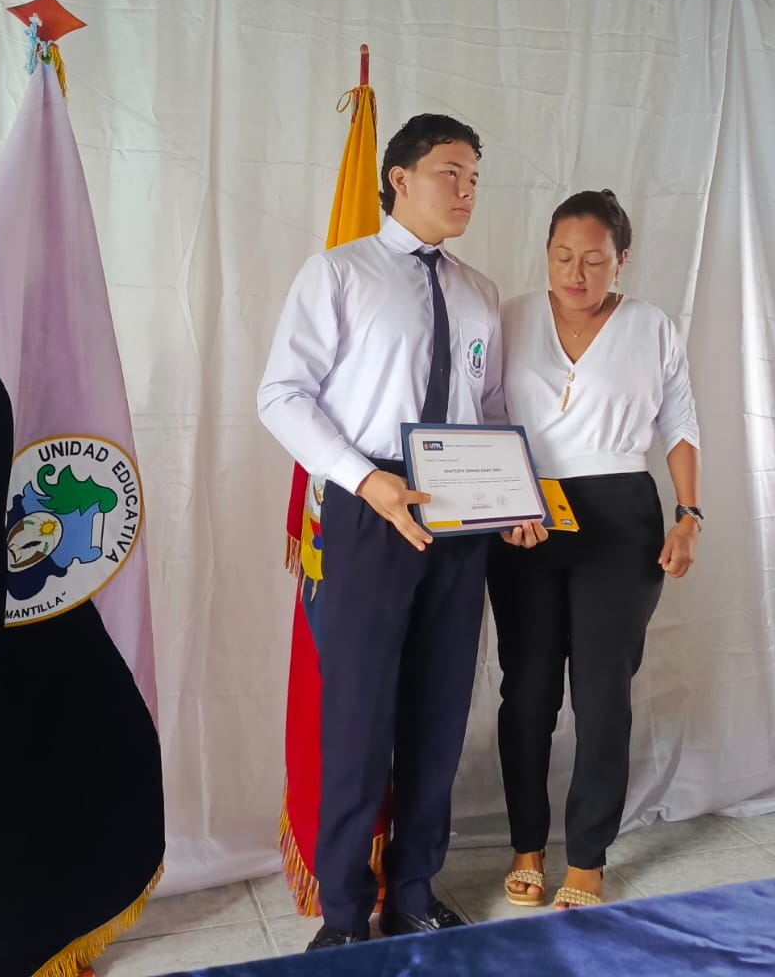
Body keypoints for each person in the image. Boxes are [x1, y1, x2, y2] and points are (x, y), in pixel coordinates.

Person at [257, 113, 544, 950]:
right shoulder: (339, 273)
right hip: (368, 505)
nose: (467, 191)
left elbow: (490, 407)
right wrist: (365, 480)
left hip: (460, 511)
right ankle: (346, 914)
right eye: (451, 172)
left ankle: (414, 890)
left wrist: (516, 498)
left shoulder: (479, 291)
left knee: (439, 708)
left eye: (475, 178)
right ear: (399, 177)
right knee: (357, 713)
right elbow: (281, 395)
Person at [490, 189, 700, 911]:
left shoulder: (651, 326)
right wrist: (502, 505)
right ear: (546, 254)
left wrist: (689, 516)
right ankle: (526, 845)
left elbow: (680, 423)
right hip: (525, 518)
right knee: (527, 690)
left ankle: (587, 857)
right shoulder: (510, 318)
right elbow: (484, 417)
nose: (575, 274)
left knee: (603, 692)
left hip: (621, 520)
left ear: (621, 260)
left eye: (593, 260)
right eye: (561, 257)